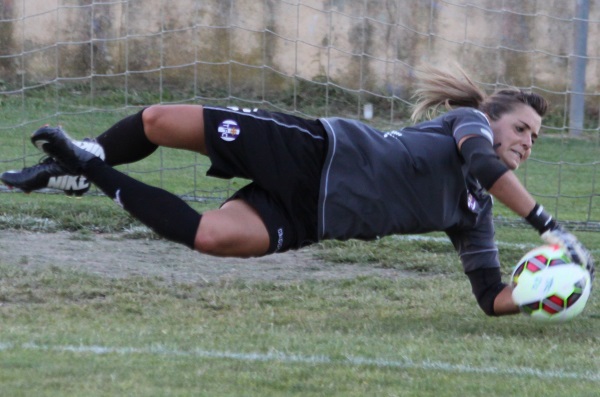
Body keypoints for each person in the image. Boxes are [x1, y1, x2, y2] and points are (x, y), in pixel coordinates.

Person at [1, 66, 594, 317]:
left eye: (536, 137)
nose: (528, 141)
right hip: (312, 150)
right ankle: (88, 157)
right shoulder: (467, 123)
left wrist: (542, 293)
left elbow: (489, 296)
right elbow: (484, 162)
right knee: (158, 120)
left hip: (312, 215)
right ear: (494, 120)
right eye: (522, 128)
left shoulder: (475, 212)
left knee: (212, 237)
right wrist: (548, 225)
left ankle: (85, 169)